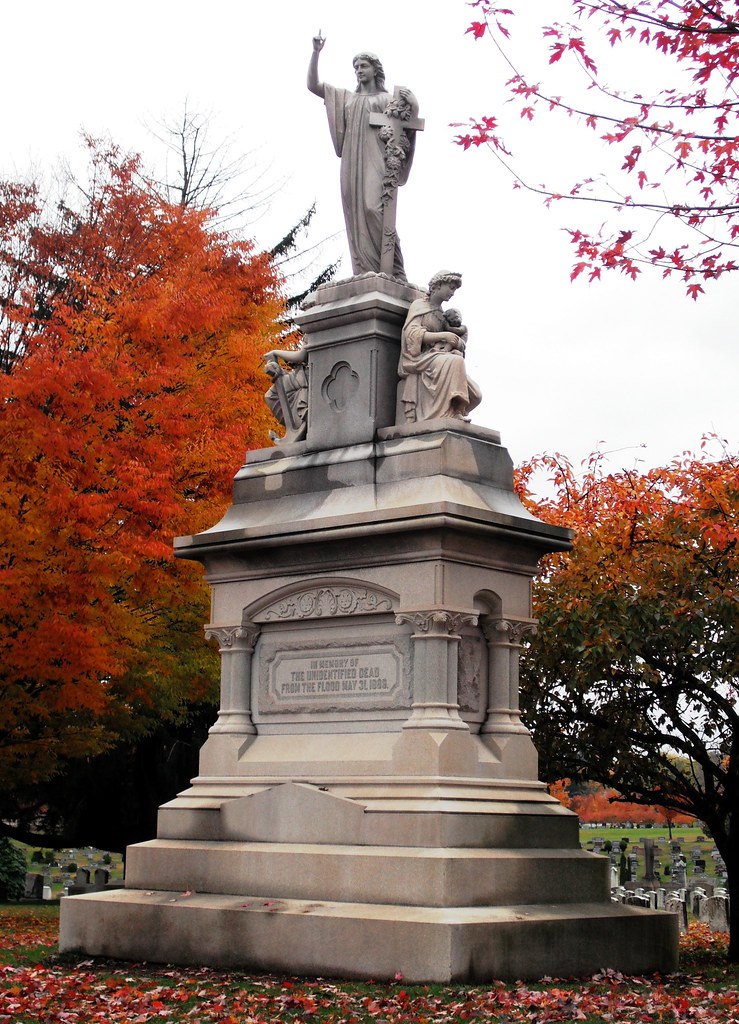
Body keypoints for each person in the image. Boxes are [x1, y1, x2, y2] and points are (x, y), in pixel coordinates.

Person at [308, 34, 417, 280]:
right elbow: (313, 85)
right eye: (356, 67)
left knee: (373, 208)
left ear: (375, 70)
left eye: (364, 66)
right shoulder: (347, 98)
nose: (359, 70)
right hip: (351, 162)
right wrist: (316, 53)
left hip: (376, 160)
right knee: (355, 213)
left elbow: (408, 125)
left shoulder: (386, 99)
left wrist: (415, 105)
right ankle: (365, 270)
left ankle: (394, 269)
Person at [398, 271, 482, 422]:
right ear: (438, 285)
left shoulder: (443, 315)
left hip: (439, 357)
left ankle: (453, 409)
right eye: (451, 288)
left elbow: (456, 338)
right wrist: (443, 336)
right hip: (421, 358)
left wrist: (457, 342)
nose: (453, 293)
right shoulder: (419, 306)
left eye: (455, 289)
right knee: (456, 361)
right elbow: (412, 335)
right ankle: (452, 412)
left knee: (476, 395)